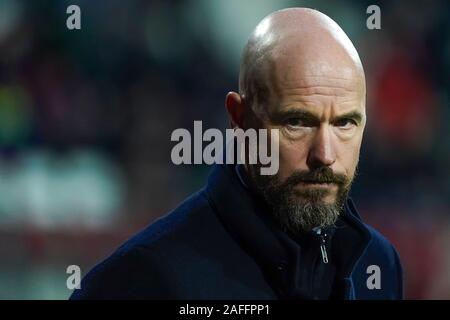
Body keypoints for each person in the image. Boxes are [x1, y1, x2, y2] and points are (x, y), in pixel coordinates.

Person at [71, 8, 403, 300]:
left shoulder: (378, 264)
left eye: (345, 123)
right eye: (298, 122)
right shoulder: (145, 277)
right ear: (239, 119)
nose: (325, 155)